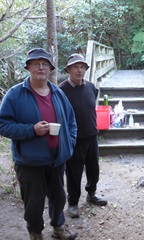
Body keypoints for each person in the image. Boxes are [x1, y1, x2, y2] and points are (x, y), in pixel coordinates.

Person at [0, 48, 78, 240]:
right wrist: (31, 130)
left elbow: (71, 121)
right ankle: (35, 233)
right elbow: (3, 124)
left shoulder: (58, 93)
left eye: (44, 64)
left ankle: (58, 228)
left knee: (59, 197)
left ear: (50, 68)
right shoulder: (15, 94)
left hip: (57, 159)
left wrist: (69, 143)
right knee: (33, 202)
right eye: (36, 64)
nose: (41, 67)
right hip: (29, 161)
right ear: (28, 68)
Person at [59, 53, 107, 219]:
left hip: (92, 135)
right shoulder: (61, 90)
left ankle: (91, 193)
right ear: (69, 70)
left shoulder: (91, 87)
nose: (79, 70)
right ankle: (72, 203)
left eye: (82, 67)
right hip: (74, 139)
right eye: (75, 67)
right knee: (74, 173)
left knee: (93, 169)